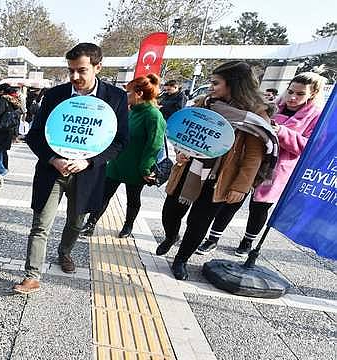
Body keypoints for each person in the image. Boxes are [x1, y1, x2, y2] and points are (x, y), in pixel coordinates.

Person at [13, 43, 129, 294]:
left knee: (76, 222)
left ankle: (64, 252)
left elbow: (119, 142)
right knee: (40, 224)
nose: (75, 77)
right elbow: (34, 136)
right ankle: (32, 275)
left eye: (81, 70)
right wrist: (53, 159)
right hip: (52, 171)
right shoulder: (55, 95)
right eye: (71, 71)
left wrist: (88, 161)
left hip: (87, 174)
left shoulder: (116, 98)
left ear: (98, 67)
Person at [156, 61, 276, 281]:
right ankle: (171, 235)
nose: (211, 87)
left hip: (219, 177)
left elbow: (253, 157)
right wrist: (180, 150)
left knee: (199, 222)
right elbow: (184, 131)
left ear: (234, 85)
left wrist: (240, 186)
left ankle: (181, 259)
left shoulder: (255, 115)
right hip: (189, 169)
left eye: (215, 83)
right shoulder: (206, 103)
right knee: (170, 211)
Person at [197, 72, 326, 257]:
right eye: (290, 91)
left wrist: (281, 132)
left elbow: (309, 148)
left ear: (312, 95)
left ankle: (247, 242)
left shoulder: (316, 116)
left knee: (259, 206)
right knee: (231, 199)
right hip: (252, 161)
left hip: (276, 168)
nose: (292, 97)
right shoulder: (273, 107)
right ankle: (213, 238)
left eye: (300, 94)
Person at [81, 74, 166, 238]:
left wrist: (145, 167)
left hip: (137, 167)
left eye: (128, 93)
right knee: (103, 194)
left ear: (139, 94)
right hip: (116, 163)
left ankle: (128, 225)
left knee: (133, 199)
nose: (125, 96)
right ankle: (91, 223)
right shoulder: (130, 112)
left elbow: (154, 145)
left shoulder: (153, 115)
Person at [0, 83, 22, 176]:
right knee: (3, 150)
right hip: (9, 129)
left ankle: (1, 170)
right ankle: (5, 168)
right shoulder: (15, 100)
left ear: (2, 91)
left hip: (0, 129)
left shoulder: (3, 99)